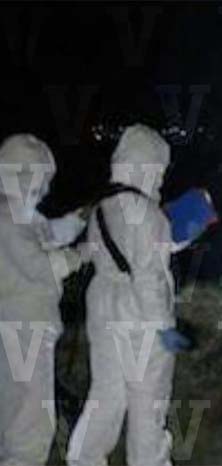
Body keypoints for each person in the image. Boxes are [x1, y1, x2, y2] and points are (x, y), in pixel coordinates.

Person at [68, 125, 176, 466]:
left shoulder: (101, 209)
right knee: (147, 401)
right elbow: (149, 275)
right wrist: (164, 326)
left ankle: (83, 458)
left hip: (103, 309)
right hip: (140, 317)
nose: (161, 179)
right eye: (159, 170)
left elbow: (105, 254)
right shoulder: (150, 214)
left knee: (106, 394)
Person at [0, 134, 82, 466]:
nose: (45, 189)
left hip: (25, 329)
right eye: (40, 180)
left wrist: (82, 217)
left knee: (19, 415)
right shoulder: (8, 221)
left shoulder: (23, 217)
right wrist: (81, 255)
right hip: (23, 331)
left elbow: (52, 233)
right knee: (30, 423)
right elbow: (43, 266)